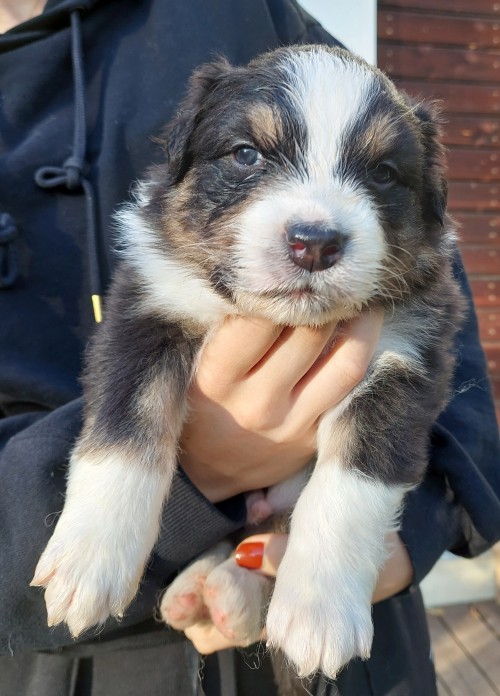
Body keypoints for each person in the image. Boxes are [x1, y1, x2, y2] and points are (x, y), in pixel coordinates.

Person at [0, 1, 499, 695]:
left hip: (356, 650)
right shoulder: (171, 271)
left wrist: (358, 557)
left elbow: (457, 419)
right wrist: (185, 473)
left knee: (389, 388)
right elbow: (135, 372)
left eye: (382, 175)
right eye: (247, 155)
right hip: (62, 667)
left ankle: (243, 571)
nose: (317, 226)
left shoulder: (252, 12)